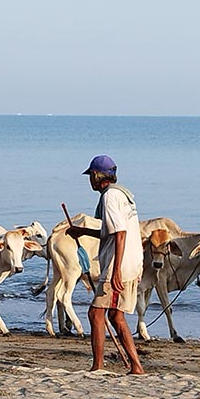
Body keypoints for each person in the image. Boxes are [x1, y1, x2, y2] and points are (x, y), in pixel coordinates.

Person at [66, 154, 145, 374]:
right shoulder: (123, 195)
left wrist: (116, 271)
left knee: (96, 314)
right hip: (133, 263)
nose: (89, 181)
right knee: (115, 315)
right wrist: (82, 231)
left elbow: (120, 234)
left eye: (90, 176)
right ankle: (136, 366)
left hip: (118, 266)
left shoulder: (110, 197)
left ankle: (98, 366)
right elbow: (110, 232)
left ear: (97, 176)